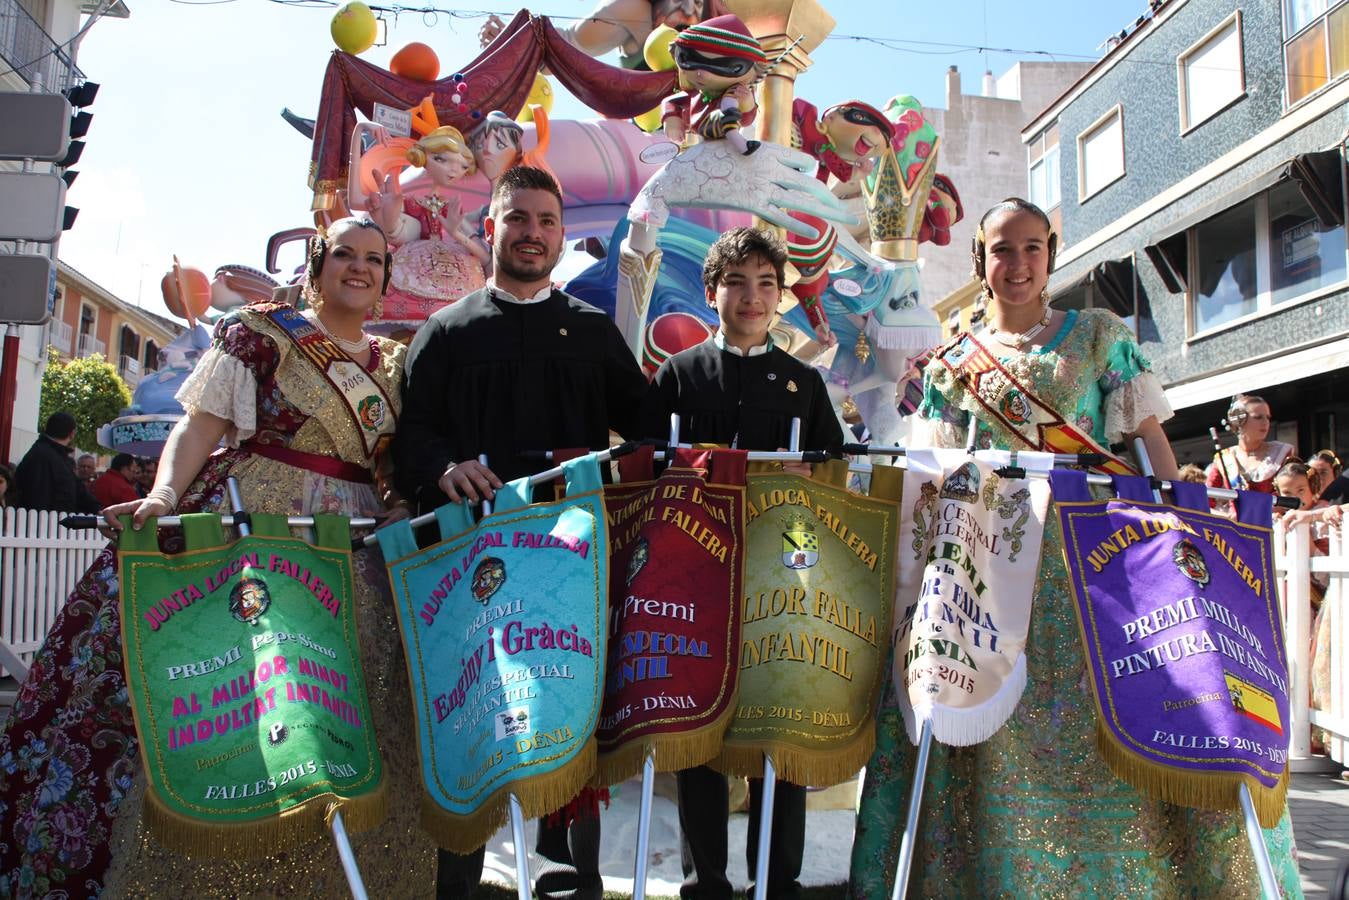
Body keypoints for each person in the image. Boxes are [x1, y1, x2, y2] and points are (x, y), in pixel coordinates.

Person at [848, 198, 1302, 897]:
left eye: (1032, 248)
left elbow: (1146, 437)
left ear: (1050, 255)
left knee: (1122, 697)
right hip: (989, 560)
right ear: (981, 261)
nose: (1018, 263)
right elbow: (933, 464)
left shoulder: (1095, 333)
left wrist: (1174, 510)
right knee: (986, 701)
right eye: (1002, 249)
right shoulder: (951, 361)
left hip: (1091, 557)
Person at [0, 217, 433, 897]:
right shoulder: (263, 334)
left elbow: (394, 465)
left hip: (355, 543)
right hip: (252, 525)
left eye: (374, 259)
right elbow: (200, 425)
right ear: (316, 264)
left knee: (355, 702)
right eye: (343, 253)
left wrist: (402, 506)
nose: (359, 267)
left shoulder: (396, 362)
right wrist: (166, 493)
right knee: (228, 690)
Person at [395, 165, 648, 899]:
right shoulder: (444, 333)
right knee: (476, 727)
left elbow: (647, 435)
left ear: (562, 235)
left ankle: (576, 881)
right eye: (519, 219)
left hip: (570, 564)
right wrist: (443, 467)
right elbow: (411, 438)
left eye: (545, 221)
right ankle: (459, 887)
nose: (532, 233)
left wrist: (604, 464)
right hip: (470, 570)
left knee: (570, 720)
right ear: (491, 229)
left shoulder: (594, 333)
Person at [641, 226, 843, 900]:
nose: (751, 297)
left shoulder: (804, 385)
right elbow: (644, 474)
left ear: (780, 296)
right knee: (697, 731)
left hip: (778, 585)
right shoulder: (675, 376)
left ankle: (774, 880)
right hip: (694, 583)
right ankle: (707, 879)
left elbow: (833, 485)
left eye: (765, 283)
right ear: (711, 292)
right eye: (737, 282)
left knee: (774, 733)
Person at [359, 124, 490, 326]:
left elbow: (484, 256)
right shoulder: (410, 203)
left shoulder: (451, 208)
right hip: (413, 264)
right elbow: (402, 231)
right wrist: (391, 225)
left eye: (463, 166)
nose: (454, 170)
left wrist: (456, 233)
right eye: (441, 160)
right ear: (422, 158)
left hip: (457, 275)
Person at [13, 412, 100, 513]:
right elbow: (39, 496)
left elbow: (77, 487)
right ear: (72, 433)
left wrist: (97, 509)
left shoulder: (50, 453)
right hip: (45, 522)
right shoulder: (46, 455)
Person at [1206, 394, 1293, 494]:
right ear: (1239, 420)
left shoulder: (1281, 452)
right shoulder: (1224, 458)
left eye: (1268, 417)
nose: (1266, 422)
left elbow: (1293, 495)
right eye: (1258, 417)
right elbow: (1206, 499)